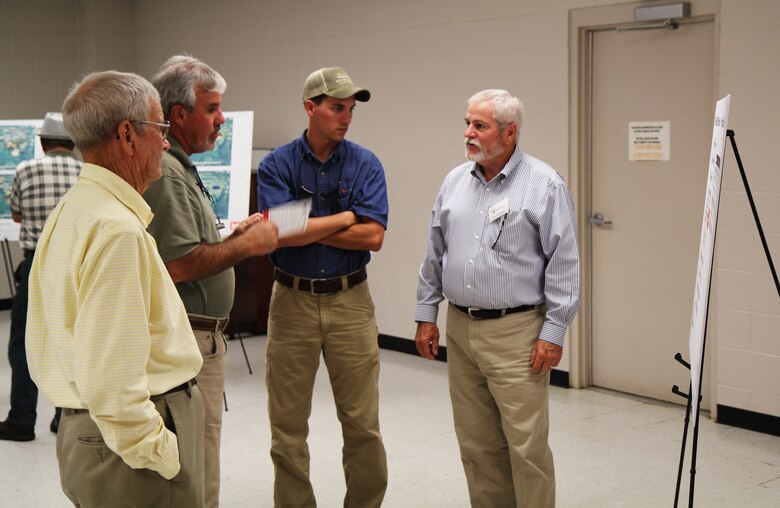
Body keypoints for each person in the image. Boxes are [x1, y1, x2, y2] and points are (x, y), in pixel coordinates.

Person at [26, 70, 206, 506]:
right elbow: (113, 384)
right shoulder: (116, 231)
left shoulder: (76, 209)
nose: (166, 142)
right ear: (128, 134)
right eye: (161, 128)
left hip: (91, 434)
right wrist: (161, 453)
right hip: (130, 451)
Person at [415, 89, 580, 507]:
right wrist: (426, 313)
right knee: (477, 444)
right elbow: (435, 250)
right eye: (467, 124)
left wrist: (554, 331)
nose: (468, 134)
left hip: (518, 333)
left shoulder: (544, 184)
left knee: (526, 447)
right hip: (461, 326)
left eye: (480, 126)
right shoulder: (455, 181)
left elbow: (565, 262)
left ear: (509, 133)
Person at [143, 55, 278, 508]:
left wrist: (231, 236)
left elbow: (187, 244)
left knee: (202, 455)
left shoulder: (180, 165)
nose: (222, 120)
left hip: (200, 337)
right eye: (213, 109)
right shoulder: (168, 174)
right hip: (191, 339)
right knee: (195, 465)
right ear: (178, 114)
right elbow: (178, 264)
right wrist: (249, 245)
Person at [257, 66, 389, 507]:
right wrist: (347, 215)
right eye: (337, 107)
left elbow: (373, 237)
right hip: (291, 300)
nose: (346, 117)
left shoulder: (366, 162)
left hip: (350, 301)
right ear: (310, 108)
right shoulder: (277, 164)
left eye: (351, 109)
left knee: (362, 424)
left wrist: (304, 225)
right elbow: (278, 233)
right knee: (288, 426)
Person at [0, 112, 81, 442]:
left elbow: (17, 215)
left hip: (38, 264)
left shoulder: (25, 169)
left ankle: (22, 420)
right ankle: (64, 418)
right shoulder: (88, 173)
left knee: (24, 343)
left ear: (44, 143)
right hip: (77, 265)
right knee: (71, 341)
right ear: (72, 143)